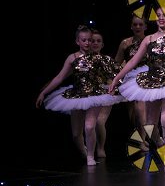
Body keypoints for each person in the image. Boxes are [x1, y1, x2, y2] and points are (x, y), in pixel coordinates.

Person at [109, 6, 165, 146]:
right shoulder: (148, 39)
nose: (161, 18)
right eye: (158, 15)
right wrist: (116, 78)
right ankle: (161, 145)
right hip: (151, 82)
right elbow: (133, 61)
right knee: (150, 124)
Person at [36, 25, 123, 166]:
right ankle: (84, 151)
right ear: (77, 41)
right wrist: (44, 92)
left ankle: (90, 156)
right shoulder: (73, 58)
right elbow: (60, 77)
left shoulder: (99, 58)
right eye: (84, 40)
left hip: (95, 95)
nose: (88, 43)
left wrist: (115, 86)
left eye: (90, 40)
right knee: (76, 134)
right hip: (77, 95)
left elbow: (116, 74)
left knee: (89, 126)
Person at [89, 29, 121, 160]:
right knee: (89, 124)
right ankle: (88, 149)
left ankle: (100, 147)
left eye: (98, 41)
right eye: (93, 41)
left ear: (102, 44)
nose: (95, 43)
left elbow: (117, 74)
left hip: (104, 92)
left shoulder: (107, 60)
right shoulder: (83, 60)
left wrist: (111, 85)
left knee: (99, 122)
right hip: (88, 94)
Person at [114, 15, 148, 132]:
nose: (138, 27)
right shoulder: (125, 43)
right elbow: (116, 63)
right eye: (135, 24)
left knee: (142, 112)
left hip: (146, 80)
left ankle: (145, 138)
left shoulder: (150, 41)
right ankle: (138, 138)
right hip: (130, 80)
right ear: (131, 26)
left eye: (140, 24)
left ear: (145, 26)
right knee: (133, 114)